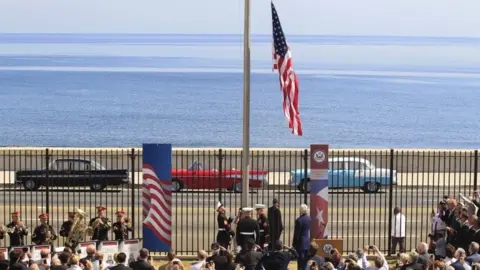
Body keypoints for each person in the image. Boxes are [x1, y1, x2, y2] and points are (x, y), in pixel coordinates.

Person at [292, 204, 311, 270]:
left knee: (300, 261)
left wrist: (294, 244)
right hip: (307, 241)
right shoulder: (309, 218)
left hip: (300, 243)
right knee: (306, 261)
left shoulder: (299, 220)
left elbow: (296, 234)